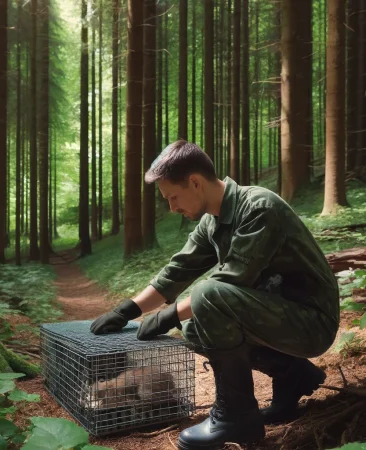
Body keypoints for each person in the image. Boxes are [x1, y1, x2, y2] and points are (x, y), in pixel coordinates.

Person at [90, 140, 340, 449]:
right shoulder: (212, 221)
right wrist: (127, 310)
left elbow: (228, 283)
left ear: (195, 182)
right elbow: (177, 271)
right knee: (195, 327)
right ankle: (292, 375)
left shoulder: (258, 207)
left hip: (312, 323)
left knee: (206, 296)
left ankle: (237, 417)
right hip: (279, 317)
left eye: (173, 197)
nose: (172, 208)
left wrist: (167, 315)